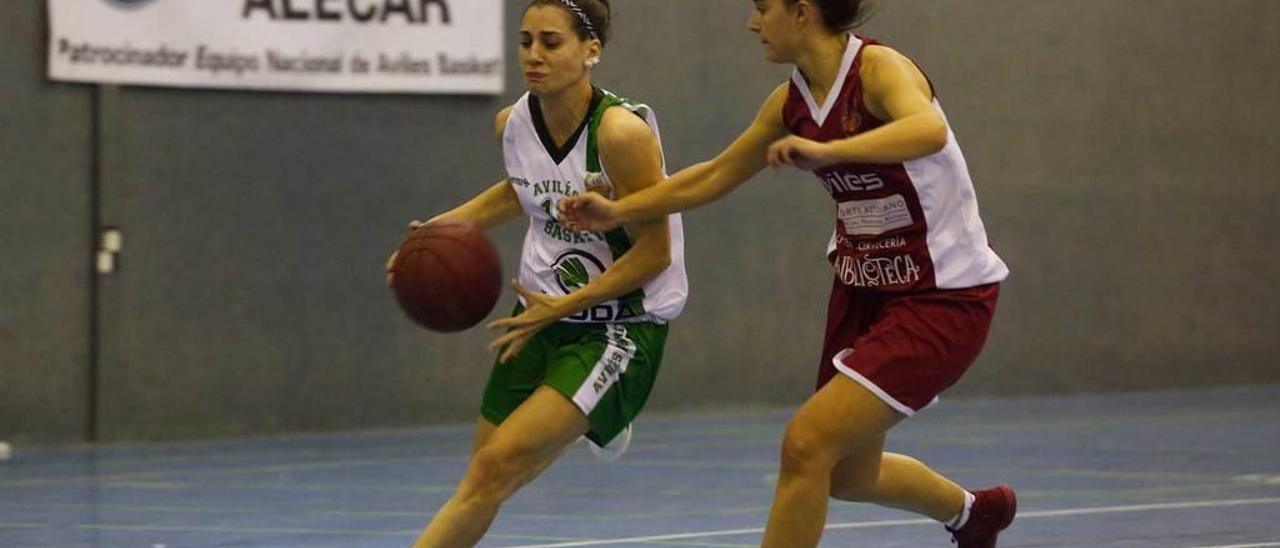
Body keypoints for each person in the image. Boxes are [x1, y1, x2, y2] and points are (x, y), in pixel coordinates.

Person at [558, 0, 1014, 546]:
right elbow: (714, 175)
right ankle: (973, 514)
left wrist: (832, 150)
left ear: (801, 12)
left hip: (941, 293)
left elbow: (927, 131)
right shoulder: (790, 102)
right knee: (846, 473)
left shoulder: (878, 69)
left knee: (806, 442)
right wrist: (620, 210)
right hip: (864, 291)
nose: (753, 23)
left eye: (762, 8)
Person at [386, 1, 688, 545]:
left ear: (590, 50)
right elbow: (519, 191)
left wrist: (566, 306)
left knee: (491, 470)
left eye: (551, 42)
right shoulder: (515, 122)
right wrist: (432, 234)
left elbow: (653, 254)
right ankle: (586, 421)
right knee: (484, 476)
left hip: (618, 326)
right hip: (541, 315)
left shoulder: (621, 134)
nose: (534, 55)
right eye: (525, 41)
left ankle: (592, 412)